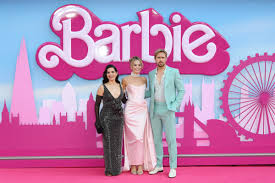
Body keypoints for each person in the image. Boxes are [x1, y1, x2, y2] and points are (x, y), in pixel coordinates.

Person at [145, 49, 184, 178]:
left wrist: (174, 105)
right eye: (158, 58)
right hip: (155, 110)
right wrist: (134, 92)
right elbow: (150, 92)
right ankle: (159, 165)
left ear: (166, 58)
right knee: (156, 139)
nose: (160, 60)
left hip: (168, 110)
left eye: (162, 57)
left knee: (171, 139)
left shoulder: (173, 72)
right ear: (155, 59)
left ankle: (173, 167)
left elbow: (181, 90)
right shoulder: (151, 74)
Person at [122, 56, 156, 175]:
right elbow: (122, 96)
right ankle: (132, 164)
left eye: (139, 65)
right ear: (131, 66)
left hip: (142, 110)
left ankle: (140, 164)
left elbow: (144, 94)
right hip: (130, 110)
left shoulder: (144, 80)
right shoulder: (125, 79)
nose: (137, 67)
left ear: (142, 66)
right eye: (135, 65)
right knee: (132, 138)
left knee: (140, 138)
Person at [95, 64, 125, 176]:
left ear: (116, 73)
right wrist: (97, 121)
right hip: (106, 118)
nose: (110, 74)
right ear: (106, 74)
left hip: (119, 118)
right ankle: (109, 170)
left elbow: (125, 100)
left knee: (117, 143)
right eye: (108, 72)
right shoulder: (102, 87)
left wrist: (139, 99)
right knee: (108, 143)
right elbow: (97, 105)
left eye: (112, 72)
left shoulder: (121, 85)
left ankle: (116, 169)